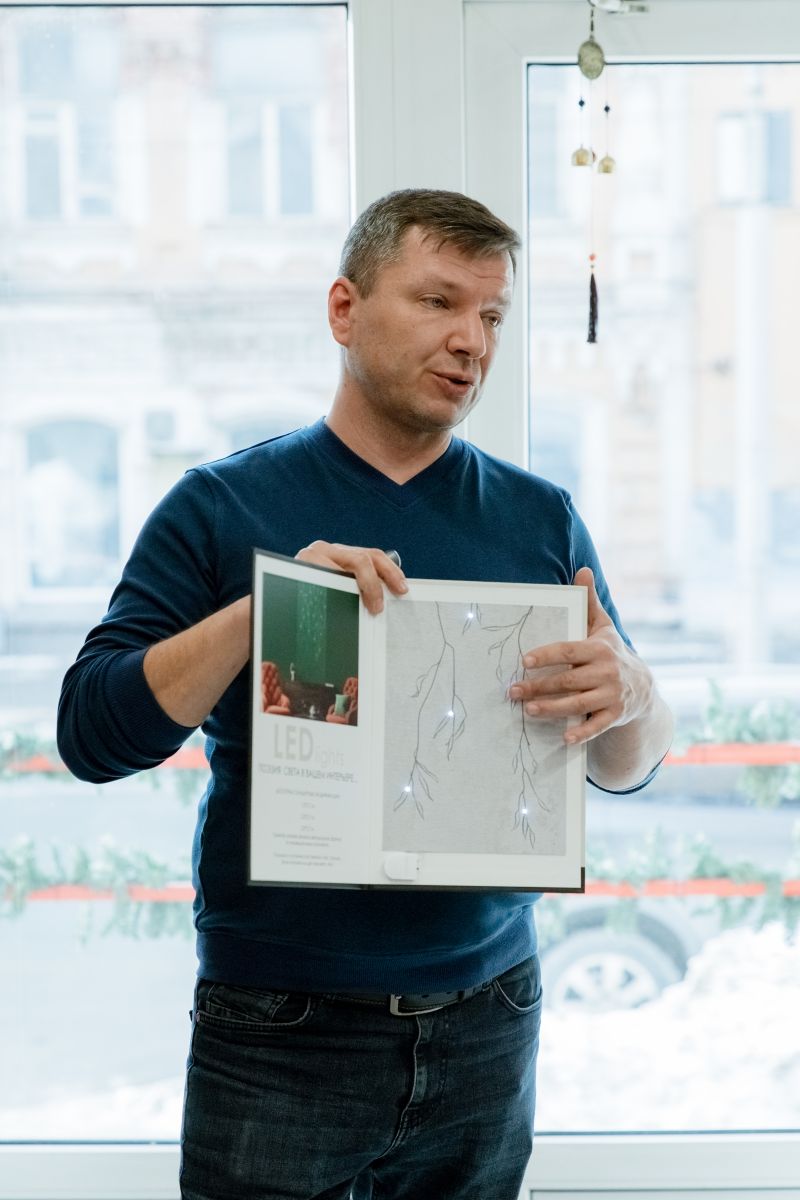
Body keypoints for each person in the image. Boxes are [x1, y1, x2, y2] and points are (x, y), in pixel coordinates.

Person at [58, 189, 673, 1200]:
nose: (470, 340)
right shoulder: (220, 506)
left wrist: (633, 694)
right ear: (344, 309)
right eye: (438, 301)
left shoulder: (538, 517)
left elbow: (623, 763)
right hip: (280, 1025)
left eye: (490, 315)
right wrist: (267, 611)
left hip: (490, 1015)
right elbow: (92, 735)